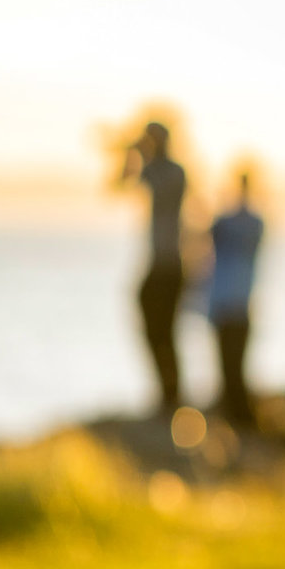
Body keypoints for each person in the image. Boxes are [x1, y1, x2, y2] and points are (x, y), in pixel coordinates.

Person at [120, 120, 190, 411]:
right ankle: (167, 392)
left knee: (165, 331)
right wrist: (130, 154)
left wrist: (141, 153)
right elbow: (121, 182)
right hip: (158, 263)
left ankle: (172, 395)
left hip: (170, 265)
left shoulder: (175, 172)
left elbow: (158, 188)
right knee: (154, 329)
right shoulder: (155, 168)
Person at [204, 168, 267, 429]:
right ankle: (237, 418)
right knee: (231, 367)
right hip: (232, 302)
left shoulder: (239, 223)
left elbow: (213, 233)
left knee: (232, 367)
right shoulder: (251, 223)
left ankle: (239, 419)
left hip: (232, 302)